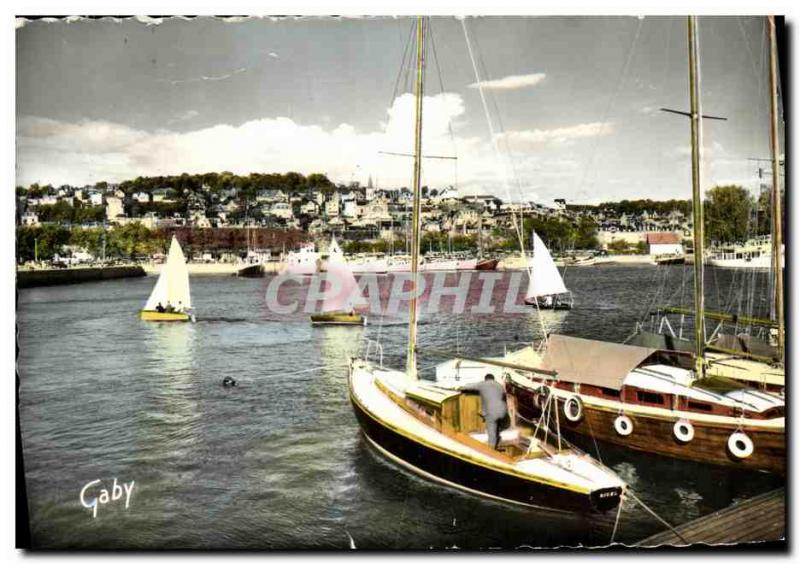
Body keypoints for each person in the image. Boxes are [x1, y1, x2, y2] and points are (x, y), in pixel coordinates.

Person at [461, 374, 510, 450]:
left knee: (492, 433)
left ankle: (491, 451)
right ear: (493, 379)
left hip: (491, 413)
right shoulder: (499, 386)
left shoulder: (483, 384)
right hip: (502, 412)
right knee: (499, 428)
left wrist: (461, 388)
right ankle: (497, 439)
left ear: (486, 379)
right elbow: (504, 398)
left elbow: (469, 387)